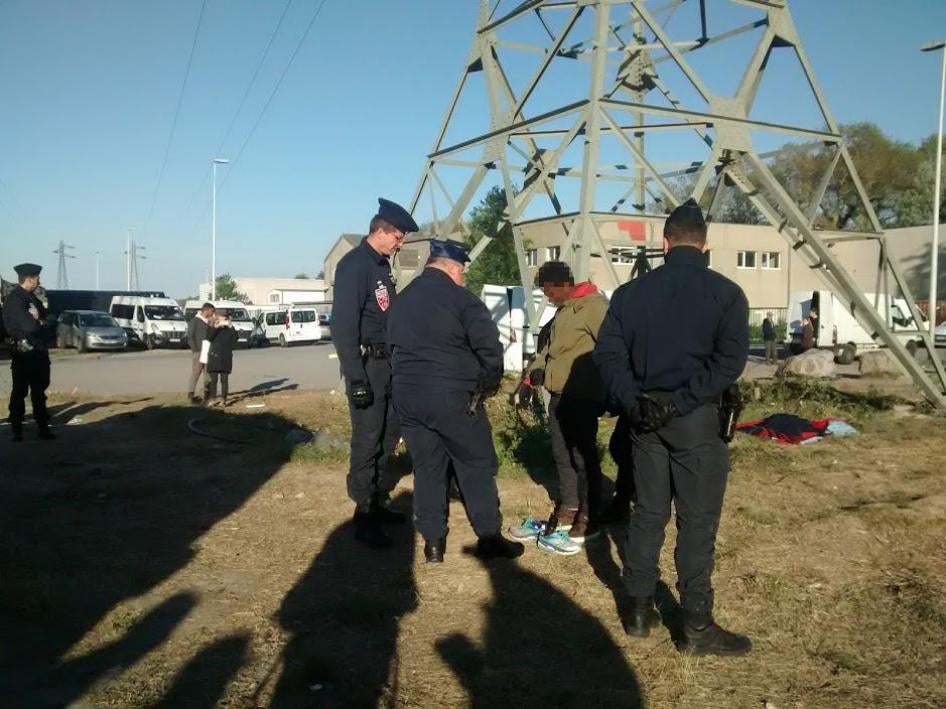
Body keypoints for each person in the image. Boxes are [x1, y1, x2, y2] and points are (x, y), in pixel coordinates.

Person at [593, 198, 752, 656]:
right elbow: (729, 363)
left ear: (664, 243)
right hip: (695, 419)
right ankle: (696, 627)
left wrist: (634, 402)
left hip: (644, 418)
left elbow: (609, 356)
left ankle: (639, 611)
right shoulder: (726, 294)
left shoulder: (630, 294)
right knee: (696, 522)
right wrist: (679, 403)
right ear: (705, 245)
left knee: (647, 514)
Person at [388, 239, 524, 563]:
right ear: (451, 267)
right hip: (452, 397)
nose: (462, 278)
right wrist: (486, 386)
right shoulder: (462, 300)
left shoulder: (402, 300)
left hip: (407, 397)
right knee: (475, 465)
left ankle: (433, 544)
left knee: (427, 467)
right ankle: (489, 538)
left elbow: (391, 346)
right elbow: (490, 351)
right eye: (461, 271)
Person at [333, 198, 418, 548]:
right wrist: (355, 378)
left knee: (387, 436)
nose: (401, 243)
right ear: (380, 231)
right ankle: (363, 512)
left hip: (389, 366)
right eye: (398, 236)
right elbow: (343, 326)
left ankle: (377, 500)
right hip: (367, 368)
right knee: (368, 440)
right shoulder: (355, 266)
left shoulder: (381, 266)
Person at [513, 261, 609, 555]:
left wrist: (607, 390)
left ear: (562, 284)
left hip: (582, 396)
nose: (547, 296)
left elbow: (611, 349)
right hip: (558, 396)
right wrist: (530, 378)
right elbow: (547, 351)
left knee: (583, 459)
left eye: (548, 290)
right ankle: (569, 507)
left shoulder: (594, 307)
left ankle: (590, 518)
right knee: (562, 455)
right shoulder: (563, 311)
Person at [3, 263, 55, 442]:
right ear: (28, 279)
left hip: (38, 352)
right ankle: (17, 430)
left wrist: (43, 322)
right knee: (20, 392)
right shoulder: (15, 300)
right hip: (24, 353)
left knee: (39, 391)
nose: (39, 280)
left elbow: (49, 317)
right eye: (36, 277)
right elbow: (30, 326)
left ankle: (43, 428)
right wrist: (41, 323)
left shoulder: (33, 298)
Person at [205, 309, 238, 407]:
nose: (222, 319)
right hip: (214, 356)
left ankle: (223, 399)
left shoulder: (229, 328)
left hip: (225, 356)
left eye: (224, 317)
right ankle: (212, 399)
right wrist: (217, 327)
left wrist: (231, 326)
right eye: (221, 317)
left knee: (224, 380)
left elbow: (235, 339)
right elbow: (209, 337)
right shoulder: (212, 326)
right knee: (213, 380)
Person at [186, 302, 215, 404]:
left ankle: (207, 395)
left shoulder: (208, 321)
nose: (213, 314)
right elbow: (190, 336)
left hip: (208, 350)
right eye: (212, 311)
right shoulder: (195, 321)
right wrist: (195, 350)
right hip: (199, 351)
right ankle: (191, 395)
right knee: (196, 373)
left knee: (207, 374)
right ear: (206, 310)